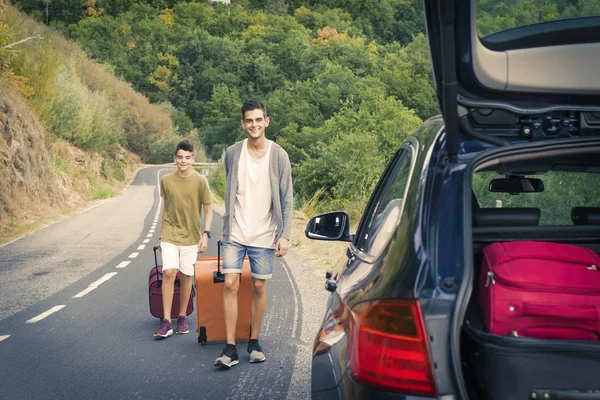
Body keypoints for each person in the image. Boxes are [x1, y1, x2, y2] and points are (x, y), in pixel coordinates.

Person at [214, 100, 293, 368]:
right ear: (243, 124)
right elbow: (230, 190)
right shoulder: (233, 153)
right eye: (249, 121)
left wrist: (285, 234)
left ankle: (254, 341)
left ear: (266, 121)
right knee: (229, 284)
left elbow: (286, 197)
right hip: (235, 230)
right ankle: (229, 347)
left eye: (258, 120)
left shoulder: (279, 155)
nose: (254, 125)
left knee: (259, 286)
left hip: (265, 232)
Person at [155, 140, 213, 338]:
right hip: (170, 233)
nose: (183, 161)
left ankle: (181, 316)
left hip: (191, 236)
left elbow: (208, 208)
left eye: (187, 158)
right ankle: (165, 321)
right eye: (180, 157)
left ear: (193, 159)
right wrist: (161, 235)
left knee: (186, 276)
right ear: (174, 159)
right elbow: (166, 208)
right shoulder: (167, 181)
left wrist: (205, 234)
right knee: (170, 272)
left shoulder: (200, 181)